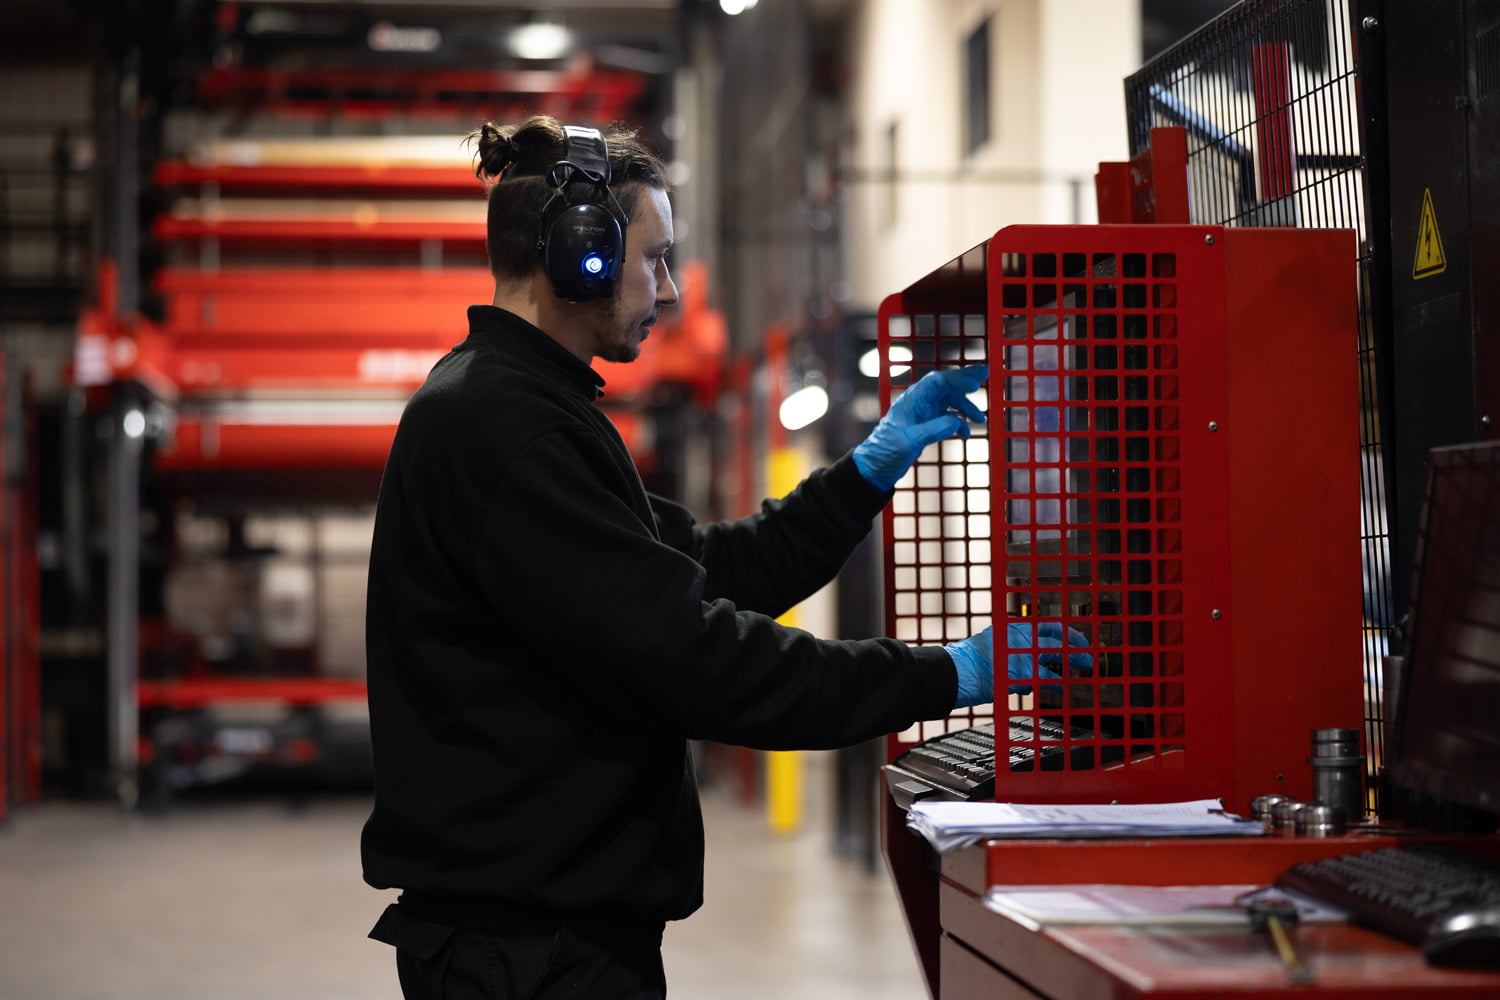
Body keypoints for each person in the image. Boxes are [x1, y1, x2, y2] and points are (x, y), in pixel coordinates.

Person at [360, 115, 1077, 1000]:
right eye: (654, 259)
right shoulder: (504, 429)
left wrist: (868, 469)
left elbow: (712, 570)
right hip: (528, 956)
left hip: (546, 939)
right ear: (582, 251)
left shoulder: (533, 412)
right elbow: (694, 658)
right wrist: (948, 672)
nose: (665, 289)